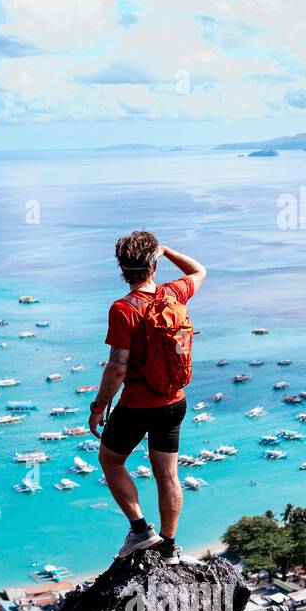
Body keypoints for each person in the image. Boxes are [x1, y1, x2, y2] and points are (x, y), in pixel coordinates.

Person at [88, 231, 206, 564]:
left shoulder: (123, 309)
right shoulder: (173, 294)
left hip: (138, 404)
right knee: (167, 475)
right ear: (153, 264)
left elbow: (117, 367)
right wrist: (167, 251)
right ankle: (169, 546)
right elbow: (199, 271)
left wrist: (98, 408)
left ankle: (140, 531)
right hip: (174, 401)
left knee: (111, 461)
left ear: (122, 270)